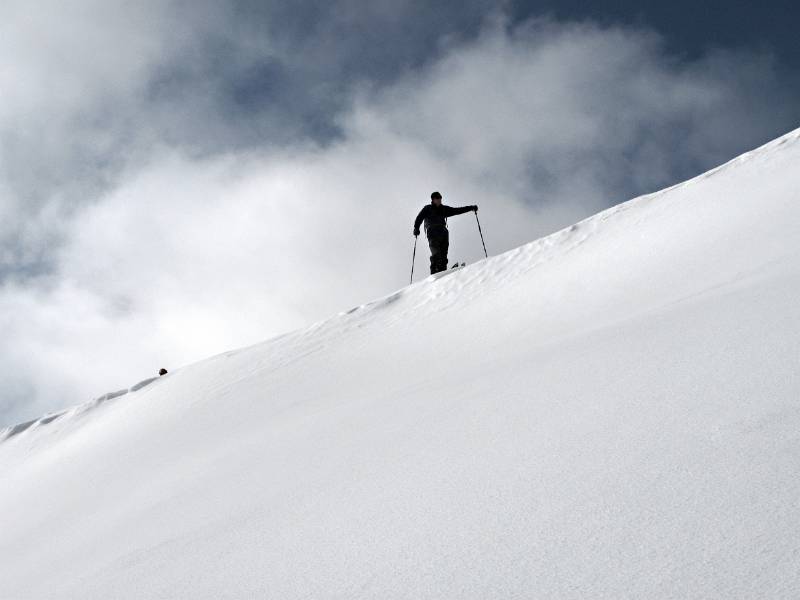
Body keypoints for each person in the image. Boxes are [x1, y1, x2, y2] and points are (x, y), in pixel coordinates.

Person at [413, 191, 477, 274]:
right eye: (437, 198)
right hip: (432, 232)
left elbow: (457, 210)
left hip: (443, 233)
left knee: (443, 256)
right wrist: (416, 228)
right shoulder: (427, 208)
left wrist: (471, 208)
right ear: (433, 199)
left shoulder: (444, 209)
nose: (439, 200)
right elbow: (419, 218)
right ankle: (434, 274)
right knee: (436, 255)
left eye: (440, 198)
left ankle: (443, 273)